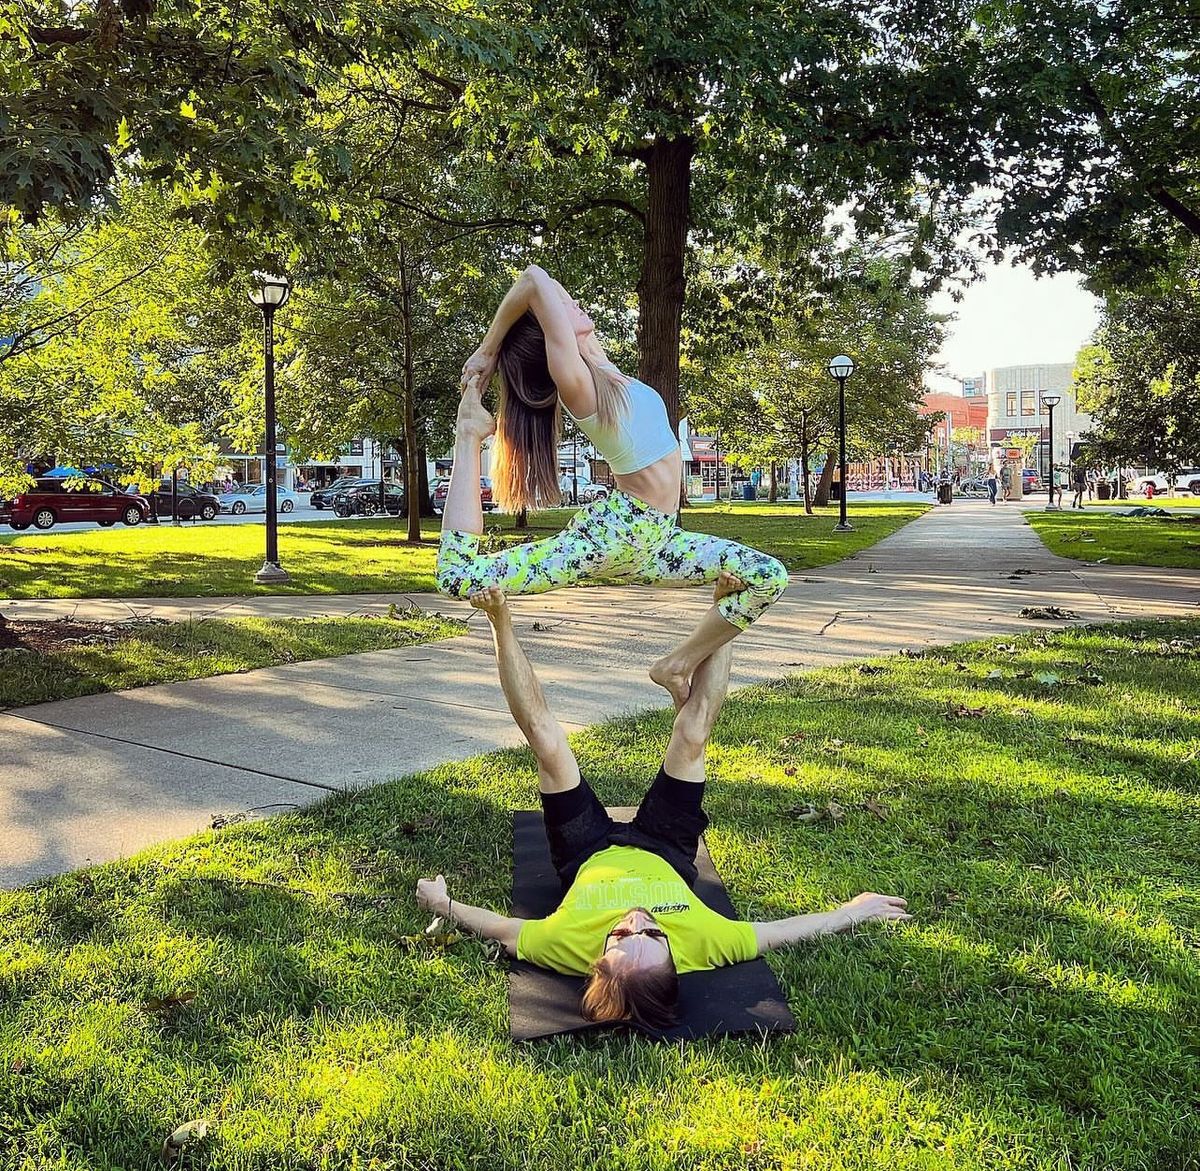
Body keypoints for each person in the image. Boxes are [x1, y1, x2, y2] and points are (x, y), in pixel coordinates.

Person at [415, 579, 912, 1029]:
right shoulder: (702, 945)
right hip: (665, 849)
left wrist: (442, 903)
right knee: (693, 734)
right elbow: (783, 931)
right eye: (653, 938)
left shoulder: (565, 950)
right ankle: (727, 607)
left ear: (598, 959)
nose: (637, 920)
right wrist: (854, 911)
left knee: (546, 742)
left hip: (585, 852)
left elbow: (500, 930)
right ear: (675, 957)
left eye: (620, 937)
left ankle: (499, 617)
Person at [438, 265, 789, 706]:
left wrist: (550, 318)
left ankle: (676, 665)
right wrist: (488, 351)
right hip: (611, 536)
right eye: (562, 307)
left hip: (660, 539)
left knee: (767, 577)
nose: (572, 301)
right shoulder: (578, 384)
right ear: (552, 334)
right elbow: (533, 279)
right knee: (457, 577)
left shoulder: (604, 369)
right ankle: (468, 435)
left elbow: (546, 284)